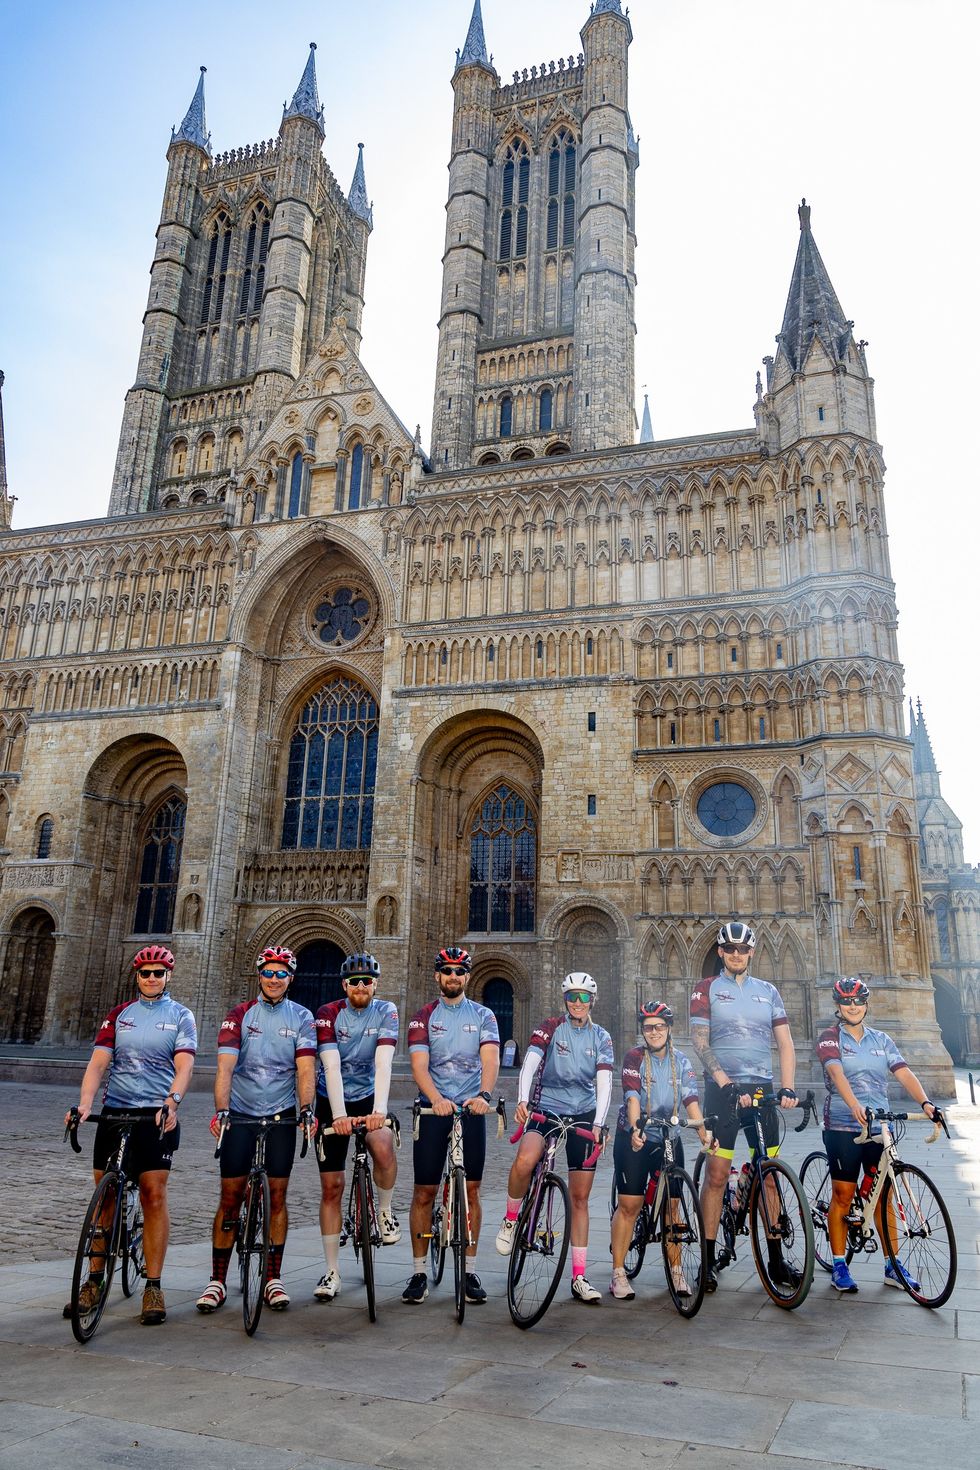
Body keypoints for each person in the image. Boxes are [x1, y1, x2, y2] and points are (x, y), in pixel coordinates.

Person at [64, 945, 197, 1326]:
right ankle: (93, 1280)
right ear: (136, 977)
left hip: (156, 1116)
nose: (152, 978)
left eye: (158, 973)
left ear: (168, 976)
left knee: (154, 1194)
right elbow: (98, 1064)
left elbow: (184, 1066)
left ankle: (153, 1285)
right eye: (145, 973)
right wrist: (85, 1104)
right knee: (105, 1201)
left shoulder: (180, 1016)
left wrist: (172, 1102)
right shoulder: (118, 1016)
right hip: (116, 1112)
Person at [195, 946, 316, 1315]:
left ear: (290, 979)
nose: (274, 979)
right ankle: (217, 1280)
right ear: (259, 975)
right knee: (230, 1197)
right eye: (269, 972)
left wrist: (307, 1109)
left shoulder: (302, 1017)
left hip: (280, 1114)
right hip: (242, 1114)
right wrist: (222, 1110)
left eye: (282, 974)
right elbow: (225, 1068)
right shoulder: (239, 1015)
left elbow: (306, 1070)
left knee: (277, 1197)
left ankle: (272, 1278)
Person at [689, 920, 799, 1293]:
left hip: (761, 1090)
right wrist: (725, 1082)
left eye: (743, 949)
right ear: (721, 952)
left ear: (751, 952)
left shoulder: (768, 992)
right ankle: (706, 1259)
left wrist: (787, 1087)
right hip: (722, 1092)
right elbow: (700, 1043)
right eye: (730, 949)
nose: (737, 954)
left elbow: (784, 1043)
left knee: (768, 1174)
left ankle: (776, 1261)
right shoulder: (706, 989)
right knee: (717, 1175)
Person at [494, 972, 613, 1304]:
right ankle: (511, 1218)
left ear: (592, 1001)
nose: (578, 1003)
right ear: (565, 1000)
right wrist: (521, 1099)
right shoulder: (550, 1026)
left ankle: (578, 1276)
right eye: (572, 997)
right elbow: (530, 1064)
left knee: (579, 1198)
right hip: (546, 1107)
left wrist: (600, 1124)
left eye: (584, 998)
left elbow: (603, 1084)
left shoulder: (601, 1037)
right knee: (525, 1159)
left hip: (584, 1113)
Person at [817, 976, 939, 1294]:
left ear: (866, 1004)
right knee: (843, 1195)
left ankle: (892, 1265)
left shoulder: (881, 1040)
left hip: (879, 1126)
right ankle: (839, 1264)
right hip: (844, 1126)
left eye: (858, 1001)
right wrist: (854, 1104)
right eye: (846, 1001)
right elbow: (835, 1072)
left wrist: (926, 1103)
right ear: (838, 1006)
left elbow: (902, 1071)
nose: (853, 1006)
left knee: (885, 1195)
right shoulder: (830, 1038)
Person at [403, 945, 499, 1305]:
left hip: (471, 1109)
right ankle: (418, 1271)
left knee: (471, 1190)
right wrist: (435, 1099)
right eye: (447, 971)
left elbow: (489, 1058)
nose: (453, 976)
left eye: (460, 971)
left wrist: (485, 1095)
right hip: (433, 1109)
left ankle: (470, 1269)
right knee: (424, 1192)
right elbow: (418, 1065)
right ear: (437, 976)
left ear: (467, 977)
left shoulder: (485, 1015)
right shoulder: (422, 1016)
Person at [609, 1000, 712, 1300]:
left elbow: (691, 1100)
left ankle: (677, 1271)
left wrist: (704, 1133)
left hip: (670, 1136)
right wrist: (636, 1128)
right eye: (648, 1027)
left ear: (669, 1029)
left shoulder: (682, 1061)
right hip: (636, 1136)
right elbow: (631, 1096)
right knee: (630, 1205)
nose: (653, 1032)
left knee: (673, 1207)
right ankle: (618, 1273)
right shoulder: (634, 1057)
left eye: (659, 1027)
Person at [312, 951, 400, 1301]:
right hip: (331, 1099)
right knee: (332, 1186)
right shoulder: (328, 1013)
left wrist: (379, 1111)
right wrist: (337, 1116)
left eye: (367, 981)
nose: (360, 987)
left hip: (368, 1095)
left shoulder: (387, 1010)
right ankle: (331, 1270)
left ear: (375, 984)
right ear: (344, 985)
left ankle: (384, 1211)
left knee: (382, 1144)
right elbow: (330, 1067)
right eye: (354, 982)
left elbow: (383, 1062)